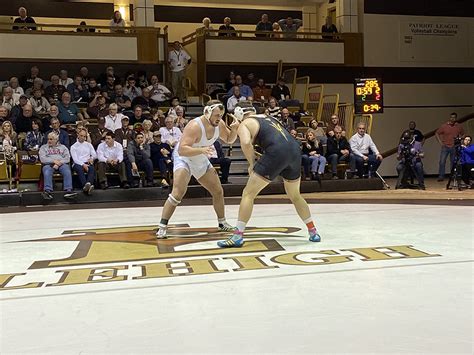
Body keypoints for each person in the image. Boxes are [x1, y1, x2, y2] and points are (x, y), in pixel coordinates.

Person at [217, 101, 321, 248]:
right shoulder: (269, 117)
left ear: (239, 113)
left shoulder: (245, 123)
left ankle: (237, 236)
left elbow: (246, 143)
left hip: (276, 153)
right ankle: (313, 231)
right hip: (294, 150)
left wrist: (252, 164)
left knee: (248, 194)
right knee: (295, 195)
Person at [155, 100, 240, 239]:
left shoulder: (219, 124)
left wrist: (235, 128)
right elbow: (182, 150)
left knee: (218, 191)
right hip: (185, 157)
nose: (219, 118)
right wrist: (201, 150)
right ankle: (162, 226)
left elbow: (229, 139)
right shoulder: (195, 125)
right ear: (207, 113)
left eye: (221, 115)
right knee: (178, 193)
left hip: (200, 155)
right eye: (216, 115)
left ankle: (222, 222)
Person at [39, 132, 76, 201]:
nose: (49, 141)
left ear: (56, 140)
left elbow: (67, 158)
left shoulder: (63, 147)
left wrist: (59, 162)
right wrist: (53, 161)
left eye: (51, 139)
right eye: (48, 139)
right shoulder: (43, 148)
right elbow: (43, 159)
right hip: (48, 164)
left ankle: (68, 191)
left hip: (61, 164)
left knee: (67, 171)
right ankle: (47, 191)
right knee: (47, 171)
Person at [435, 113, 464, 181]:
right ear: (450, 118)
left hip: (454, 146)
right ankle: (441, 176)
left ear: (456, 118)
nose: (452, 119)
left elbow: (463, 134)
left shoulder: (458, 126)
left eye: (454, 117)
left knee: (453, 162)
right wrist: (440, 142)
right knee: (442, 161)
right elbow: (437, 133)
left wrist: (460, 140)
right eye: (451, 117)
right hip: (445, 146)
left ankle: (452, 176)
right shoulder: (444, 126)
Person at [70, 128, 97, 195]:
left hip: (87, 162)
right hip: (77, 163)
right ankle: (85, 185)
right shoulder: (73, 146)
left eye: (85, 136)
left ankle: (88, 185)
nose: (83, 138)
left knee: (92, 168)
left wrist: (91, 158)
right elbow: (75, 159)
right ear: (78, 135)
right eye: (81, 135)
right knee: (79, 169)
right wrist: (83, 165)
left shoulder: (89, 145)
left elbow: (95, 155)